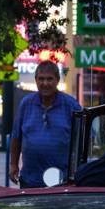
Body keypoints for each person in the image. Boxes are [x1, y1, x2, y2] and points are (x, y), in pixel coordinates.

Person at [9, 60, 82, 188]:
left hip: (60, 181)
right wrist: (13, 165)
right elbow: (16, 137)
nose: (45, 83)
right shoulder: (26, 104)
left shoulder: (71, 106)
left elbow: (83, 140)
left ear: (57, 80)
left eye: (49, 79)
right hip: (30, 180)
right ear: (36, 80)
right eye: (41, 79)